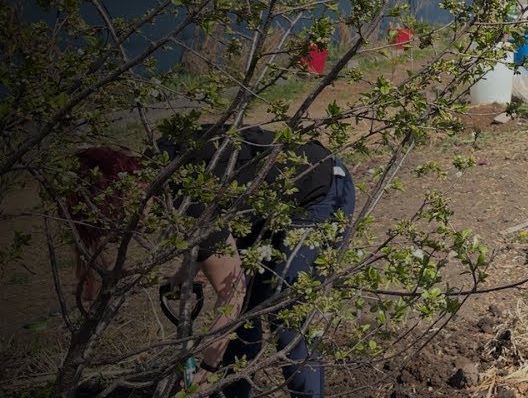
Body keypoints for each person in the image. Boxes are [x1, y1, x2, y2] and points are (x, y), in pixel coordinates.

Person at [71, 126, 356, 397]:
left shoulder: (191, 200)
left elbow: (231, 292)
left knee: (285, 315)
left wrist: (207, 369)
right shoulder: (163, 168)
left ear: (126, 192)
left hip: (319, 189)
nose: (127, 228)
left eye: (119, 216)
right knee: (245, 318)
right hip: (263, 206)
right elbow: (204, 233)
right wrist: (187, 269)